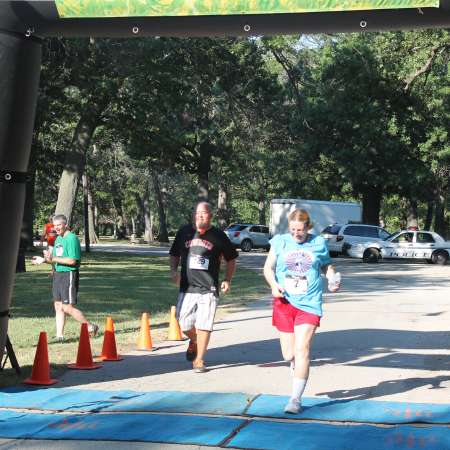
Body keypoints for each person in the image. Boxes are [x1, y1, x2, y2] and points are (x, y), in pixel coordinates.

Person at [263, 208, 341, 414]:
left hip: (309, 304)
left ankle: (295, 399)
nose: (296, 234)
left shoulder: (318, 243)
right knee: (289, 354)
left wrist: (332, 279)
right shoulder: (280, 241)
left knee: (302, 350)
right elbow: (268, 268)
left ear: (308, 227)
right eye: (292, 230)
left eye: (300, 230)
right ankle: (294, 365)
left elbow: (326, 266)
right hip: (285, 302)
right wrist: (273, 285)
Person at [169, 202, 238, 373]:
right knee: (183, 323)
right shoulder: (184, 232)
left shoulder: (219, 236)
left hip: (209, 288)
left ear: (210, 216)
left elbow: (231, 259)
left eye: (204, 213)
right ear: (193, 214)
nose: (200, 215)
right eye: (197, 212)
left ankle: (199, 359)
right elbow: (174, 254)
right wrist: (173, 271)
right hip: (187, 287)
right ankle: (194, 340)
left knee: (204, 324)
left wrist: (227, 279)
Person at [32, 214, 98, 341]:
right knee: (58, 305)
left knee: (67, 307)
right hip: (58, 274)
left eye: (59, 225)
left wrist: (52, 259)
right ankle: (59, 336)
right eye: (55, 226)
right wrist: (44, 260)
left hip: (69, 274)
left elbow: (72, 261)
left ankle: (90, 326)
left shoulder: (72, 239)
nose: (56, 228)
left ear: (65, 225)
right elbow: (56, 259)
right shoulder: (58, 240)